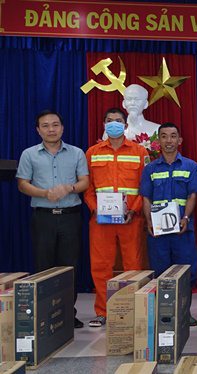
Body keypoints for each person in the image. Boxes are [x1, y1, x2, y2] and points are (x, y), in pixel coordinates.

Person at [16, 110, 89, 328]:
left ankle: (68, 313)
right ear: (38, 130)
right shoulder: (29, 154)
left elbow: (85, 182)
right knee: (44, 266)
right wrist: (44, 194)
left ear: (62, 128)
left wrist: (69, 188)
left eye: (55, 125)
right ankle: (44, 313)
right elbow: (22, 183)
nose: (51, 129)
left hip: (70, 217)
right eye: (45, 126)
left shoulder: (76, 153)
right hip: (43, 218)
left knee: (70, 267)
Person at [84, 108, 150, 327]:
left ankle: (133, 309)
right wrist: (96, 209)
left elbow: (145, 187)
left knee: (133, 265)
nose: (114, 124)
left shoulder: (139, 152)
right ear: (103, 124)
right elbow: (88, 187)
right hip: (101, 220)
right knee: (101, 266)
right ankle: (103, 311)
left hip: (131, 218)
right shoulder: (92, 152)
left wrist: (134, 209)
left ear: (125, 125)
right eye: (110, 120)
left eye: (118, 121)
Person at [140, 123, 197, 326]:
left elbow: (192, 195)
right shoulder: (149, 168)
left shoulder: (191, 166)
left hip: (182, 231)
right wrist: (149, 221)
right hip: (157, 232)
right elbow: (146, 197)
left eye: (173, 136)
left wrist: (186, 218)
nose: (169, 141)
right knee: (160, 271)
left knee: (186, 272)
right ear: (158, 141)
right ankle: (164, 313)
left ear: (180, 140)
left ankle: (185, 312)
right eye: (164, 137)